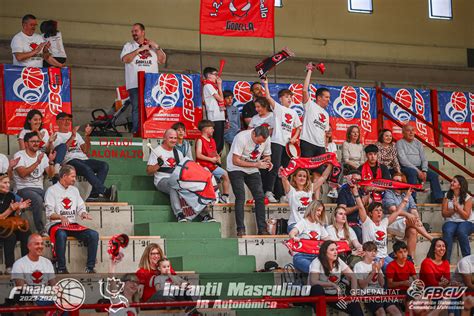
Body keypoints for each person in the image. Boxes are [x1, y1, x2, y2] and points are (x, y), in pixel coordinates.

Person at [45, 165, 99, 274]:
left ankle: (90, 267)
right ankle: (61, 268)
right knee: (61, 235)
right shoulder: (51, 191)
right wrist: (61, 217)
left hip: (71, 224)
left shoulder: (74, 190)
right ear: (64, 176)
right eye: (72, 176)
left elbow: (80, 206)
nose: (74, 179)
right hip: (55, 224)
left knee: (94, 234)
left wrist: (83, 213)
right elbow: (49, 214)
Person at [53, 112, 116, 202]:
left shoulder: (77, 135)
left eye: (69, 120)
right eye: (64, 120)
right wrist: (72, 137)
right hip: (70, 161)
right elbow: (62, 150)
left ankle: (94, 195)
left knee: (104, 165)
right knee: (86, 168)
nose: (67, 122)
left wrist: (87, 136)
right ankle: (104, 191)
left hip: (83, 159)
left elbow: (86, 150)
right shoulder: (56, 135)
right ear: (58, 122)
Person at [351, 183, 413, 269]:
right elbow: (361, 207)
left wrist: (407, 196)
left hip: (385, 256)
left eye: (380, 210)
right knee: (391, 269)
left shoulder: (384, 222)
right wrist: (355, 193)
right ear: (370, 213)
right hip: (373, 257)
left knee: (401, 268)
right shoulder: (367, 222)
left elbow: (397, 212)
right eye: (376, 210)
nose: (379, 212)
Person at [227, 126, 272, 237]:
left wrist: (268, 162)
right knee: (241, 196)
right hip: (235, 167)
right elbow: (235, 160)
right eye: (258, 141)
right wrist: (256, 164)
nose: (260, 143)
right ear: (253, 134)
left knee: (260, 196)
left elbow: (267, 155)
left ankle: (262, 229)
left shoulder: (266, 139)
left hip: (252, 168)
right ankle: (240, 229)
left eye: (262, 142)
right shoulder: (241, 137)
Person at [121, 23, 166, 134]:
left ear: (143, 32)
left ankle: (151, 130)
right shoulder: (128, 46)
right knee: (136, 107)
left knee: (151, 107)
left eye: (136, 31)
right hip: (134, 84)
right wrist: (139, 50)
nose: (133, 33)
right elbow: (125, 59)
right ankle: (137, 131)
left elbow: (162, 60)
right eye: (132, 31)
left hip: (151, 84)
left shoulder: (152, 46)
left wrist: (157, 47)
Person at [261, 78, 302, 203]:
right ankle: (268, 191)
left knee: (284, 170)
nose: (289, 99)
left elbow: (299, 127)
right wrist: (266, 84)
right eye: (286, 97)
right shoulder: (278, 108)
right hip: (277, 142)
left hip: (288, 145)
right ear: (280, 98)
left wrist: (294, 138)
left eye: (291, 97)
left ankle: (281, 194)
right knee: (274, 168)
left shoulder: (294, 112)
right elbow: (267, 97)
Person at [13, 132, 55, 236]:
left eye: (37, 141)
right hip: (23, 189)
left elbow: (50, 175)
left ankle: (55, 227)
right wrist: (37, 162)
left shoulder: (42, 156)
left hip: (39, 189)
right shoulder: (19, 155)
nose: (36, 143)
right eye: (33, 141)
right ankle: (41, 229)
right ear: (26, 143)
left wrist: (50, 162)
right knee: (37, 199)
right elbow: (22, 174)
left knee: (55, 196)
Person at [383, 172, 433, 259]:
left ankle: (411, 259)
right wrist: (408, 215)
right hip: (391, 220)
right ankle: (430, 238)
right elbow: (393, 210)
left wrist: (417, 219)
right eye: (394, 180)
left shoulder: (407, 193)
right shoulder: (388, 192)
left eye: (398, 181)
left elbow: (413, 209)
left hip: (406, 222)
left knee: (413, 231)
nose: (395, 182)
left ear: (403, 182)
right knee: (408, 220)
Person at [308, 240, 363, 316]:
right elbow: (313, 281)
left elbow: (352, 276)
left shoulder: (338, 260)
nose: (335, 252)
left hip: (334, 295)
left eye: (336, 249)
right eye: (332, 250)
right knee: (317, 289)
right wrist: (332, 285)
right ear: (325, 252)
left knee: (354, 305)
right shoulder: (317, 262)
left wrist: (353, 295)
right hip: (319, 294)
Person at [397, 124, 443, 203]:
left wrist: (424, 170)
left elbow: (424, 159)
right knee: (413, 172)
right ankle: (412, 198)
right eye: (408, 130)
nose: (411, 133)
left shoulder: (418, 143)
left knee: (434, 176)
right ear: (403, 133)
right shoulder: (399, 143)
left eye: (413, 130)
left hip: (420, 168)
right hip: (406, 168)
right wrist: (418, 171)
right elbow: (403, 160)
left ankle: (438, 197)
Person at [354, 241, 402, 316]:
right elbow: (362, 285)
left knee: (396, 312)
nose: (373, 253)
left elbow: (382, 283)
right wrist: (373, 272)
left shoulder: (376, 264)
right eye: (370, 251)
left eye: (375, 251)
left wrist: (378, 269)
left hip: (381, 293)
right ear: (364, 252)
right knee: (381, 312)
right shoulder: (359, 265)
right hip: (368, 294)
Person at [281, 165, 333, 233]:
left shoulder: (310, 189)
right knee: (307, 234)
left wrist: (331, 164)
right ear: (294, 178)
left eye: (304, 176)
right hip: (294, 225)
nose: (302, 178)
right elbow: (284, 178)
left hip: (308, 224)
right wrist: (283, 172)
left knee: (325, 228)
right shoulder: (291, 190)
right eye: (299, 176)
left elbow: (324, 177)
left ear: (307, 179)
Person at [0, 174, 31, 274]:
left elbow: (15, 215)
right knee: (11, 236)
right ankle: (10, 267)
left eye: (9, 182)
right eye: (5, 183)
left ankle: (26, 265)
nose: (8, 185)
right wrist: (10, 209)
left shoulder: (11, 195)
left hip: (10, 224)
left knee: (26, 233)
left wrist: (19, 210)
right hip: (2, 225)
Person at [288, 200, 329, 273]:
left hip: (316, 256)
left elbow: (328, 239)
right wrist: (294, 237)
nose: (319, 213)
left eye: (321, 211)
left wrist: (341, 242)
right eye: (318, 210)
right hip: (301, 256)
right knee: (313, 270)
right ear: (312, 209)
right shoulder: (303, 222)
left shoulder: (319, 225)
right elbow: (292, 233)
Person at [301, 63, 330, 162]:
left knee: (319, 172)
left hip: (320, 146)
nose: (328, 100)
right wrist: (310, 71)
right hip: (307, 143)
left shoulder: (326, 114)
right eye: (326, 97)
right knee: (306, 170)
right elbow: (305, 90)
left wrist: (325, 146)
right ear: (318, 97)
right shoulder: (310, 105)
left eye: (329, 97)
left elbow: (325, 133)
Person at [195, 120, 230, 203]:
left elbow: (215, 152)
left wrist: (218, 157)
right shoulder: (200, 140)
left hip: (212, 166)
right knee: (211, 180)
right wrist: (211, 159)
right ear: (205, 129)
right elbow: (198, 155)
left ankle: (225, 196)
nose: (213, 130)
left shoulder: (212, 140)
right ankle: (211, 198)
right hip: (203, 166)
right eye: (212, 128)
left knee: (225, 174)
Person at [441, 175, 473, 261]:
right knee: (448, 230)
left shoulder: (468, 197)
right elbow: (444, 213)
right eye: (452, 181)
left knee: (461, 231)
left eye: (454, 182)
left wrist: (458, 208)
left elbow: (466, 216)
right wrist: (454, 210)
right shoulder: (447, 195)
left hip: (466, 222)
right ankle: (445, 261)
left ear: (460, 185)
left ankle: (467, 261)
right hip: (451, 221)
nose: (451, 183)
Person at [336, 170, 368, 243]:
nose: (358, 182)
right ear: (350, 180)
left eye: (360, 180)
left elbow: (366, 208)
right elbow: (342, 211)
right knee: (360, 233)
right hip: (348, 222)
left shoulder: (360, 191)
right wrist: (359, 206)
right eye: (355, 180)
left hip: (360, 222)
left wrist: (367, 193)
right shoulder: (344, 191)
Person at [202, 67, 225, 154]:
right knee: (217, 142)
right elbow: (220, 99)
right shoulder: (208, 86)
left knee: (220, 142)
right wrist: (219, 85)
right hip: (215, 117)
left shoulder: (212, 86)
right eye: (215, 74)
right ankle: (214, 161)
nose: (217, 77)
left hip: (220, 116)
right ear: (209, 75)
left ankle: (217, 160)